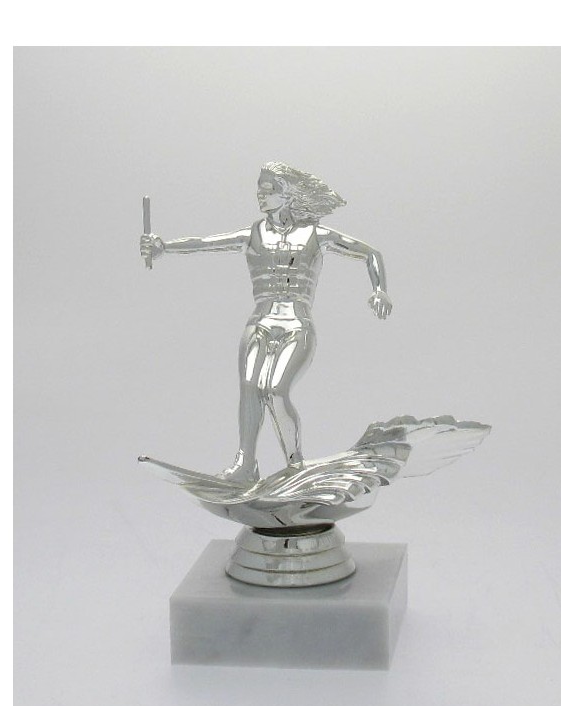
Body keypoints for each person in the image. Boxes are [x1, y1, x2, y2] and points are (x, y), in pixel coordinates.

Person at [140, 161, 392, 482]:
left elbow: (370, 253)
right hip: (259, 323)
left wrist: (379, 290)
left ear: (287, 195)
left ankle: (295, 465)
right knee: (249, 389)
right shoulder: (253, 234)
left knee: (274, 390)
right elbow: (205, 243)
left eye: (268, 189)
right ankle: (246, 464)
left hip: (296, 325)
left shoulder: (315, 235)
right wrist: (163, 247)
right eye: (259, 189)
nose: (261, 195)